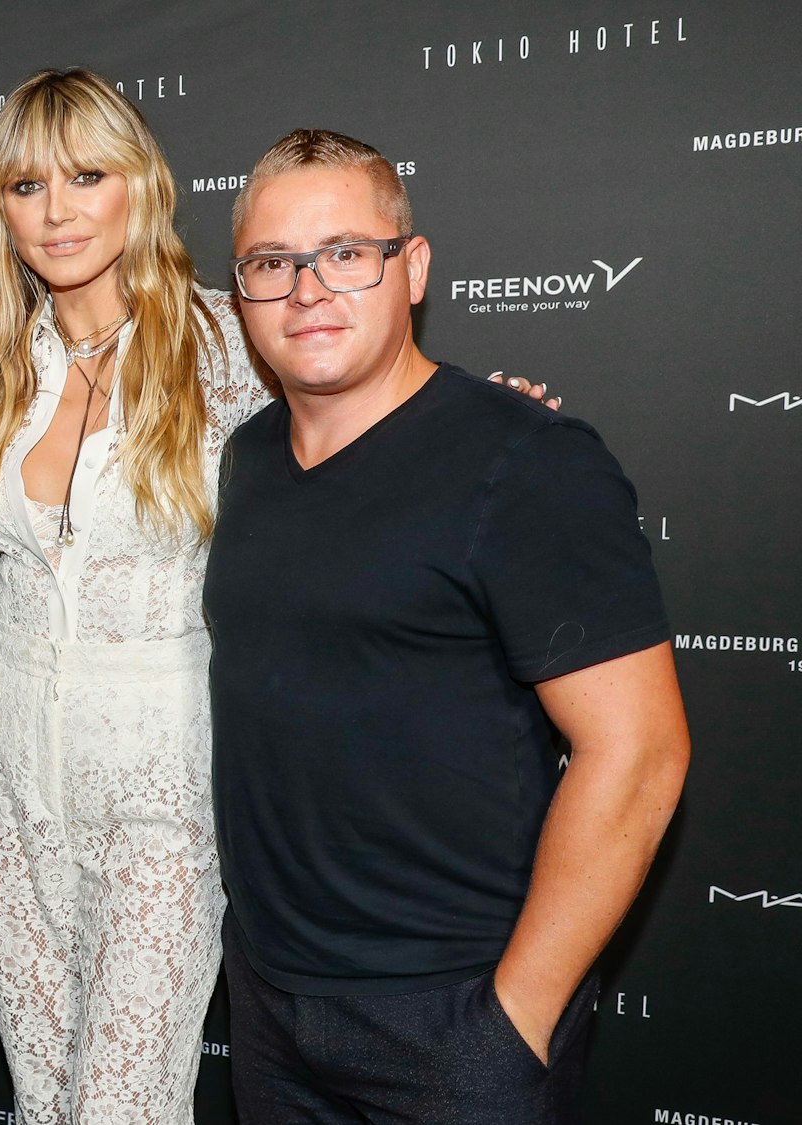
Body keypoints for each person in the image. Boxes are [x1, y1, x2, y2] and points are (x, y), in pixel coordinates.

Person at [207, 129, 690, 1124]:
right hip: (269, 1007)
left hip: (452, 1016)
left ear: (410, 268)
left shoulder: (524, 462)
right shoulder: (243, 459)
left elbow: (638, 753)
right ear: (239, 290)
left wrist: (513, 1018)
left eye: (344, 253)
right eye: (269, 264)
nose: (306, 290)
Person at [0, 69, 264, 1124]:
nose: (56, 211)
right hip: (1, 771)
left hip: (162, 786)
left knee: (120, 1104)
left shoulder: (228, 345)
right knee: (42, 1098)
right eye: (25, 185)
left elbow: (367, 419)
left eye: (86, 176)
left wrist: (478, 420)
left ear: (137, 184)